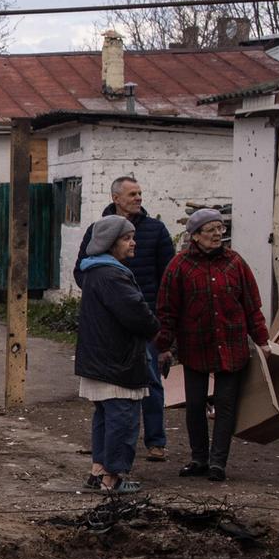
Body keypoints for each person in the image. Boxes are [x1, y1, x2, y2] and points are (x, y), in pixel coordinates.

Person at [154, 208, 270, 483]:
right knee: (195, 404)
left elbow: (252, 306)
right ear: (195, 236)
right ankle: (199, 459)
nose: (218, 234)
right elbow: (167, 310)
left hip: (231, 344)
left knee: (225, 405)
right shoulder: (179, 266)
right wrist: (163, 345)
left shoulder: (235, 263)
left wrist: (262, 340)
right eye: (211, 230)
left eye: (220, 229)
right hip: (196, 344)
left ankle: (218, 462)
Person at [72, 176, 175, 468]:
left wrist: (154, 314)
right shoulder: (99, 233)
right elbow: (82, 269)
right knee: (118, 398)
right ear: (116, 197)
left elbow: (168, 274)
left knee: (150, 382)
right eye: (132, 194)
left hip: (146, 314)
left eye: (140, 193)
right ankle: (109, 466)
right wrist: (104, 297)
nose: (138, 198)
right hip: (116, 322)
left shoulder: (155, 229)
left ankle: (155, 441)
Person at [75, 215, 159, 494]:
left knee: (104, 416)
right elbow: (138, 314)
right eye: (127, 238)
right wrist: (156, 328)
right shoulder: (112, 275)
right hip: (117, 362)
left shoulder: (94, 272)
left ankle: (98, 472)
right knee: (122, 420)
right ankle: (113, 478)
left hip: (100, 358)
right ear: (110, 243)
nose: (133, 243)